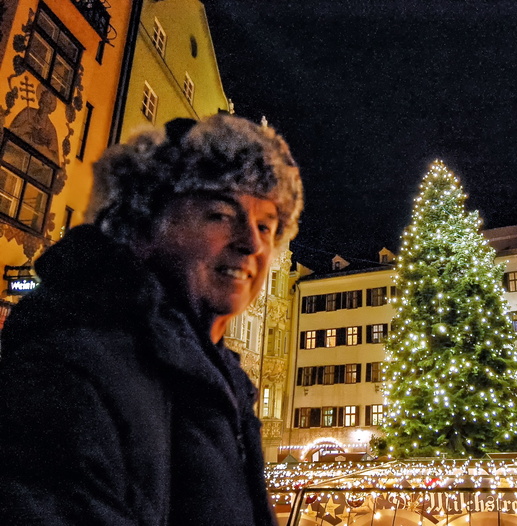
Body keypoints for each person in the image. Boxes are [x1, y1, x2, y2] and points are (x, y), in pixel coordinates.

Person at [0, 114, 303, 525]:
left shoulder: (220, 381)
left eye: (266, 226)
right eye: (220, 214)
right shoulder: (71, 370)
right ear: (143, 225)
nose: (252, 242)